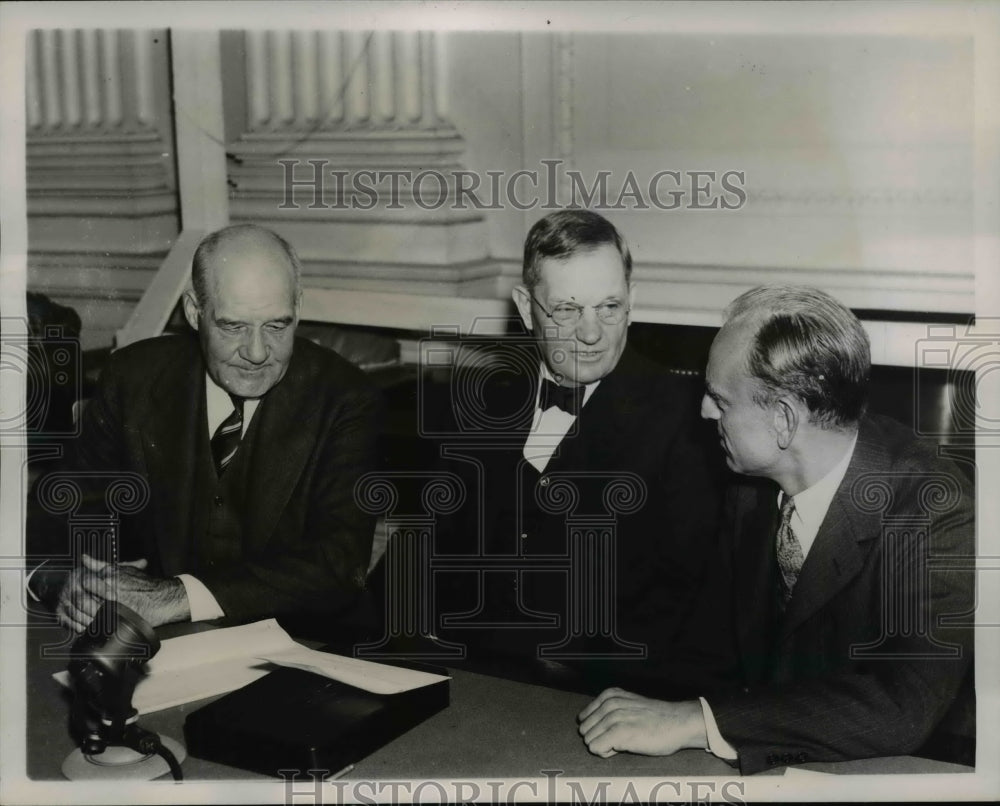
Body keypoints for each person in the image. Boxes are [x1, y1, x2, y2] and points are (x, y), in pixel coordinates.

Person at [578, 285, 975, 772]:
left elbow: (902, 707)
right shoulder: (751, 484)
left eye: (720, 400)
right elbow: (709, 647)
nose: (703, 411)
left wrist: (699, 722)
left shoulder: (936, 508)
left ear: (784, 420)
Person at [433, 210, 731, 696]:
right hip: (469, 676)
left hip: (606, 693)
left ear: (632, 301)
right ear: (527, 309)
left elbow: (689, 608)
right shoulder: (480, 404)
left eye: (609, 307)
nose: (592, 334)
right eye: (568, 310)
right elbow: (434, 555)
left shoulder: (691, 423)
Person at [28, 224, 382, 633]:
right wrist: (72, 582)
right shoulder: (134, 378)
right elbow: (59, 509)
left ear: (298, 308)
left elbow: (338, 564)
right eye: (233, 326)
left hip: (310, 647)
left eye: (277, 326)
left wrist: (176, 596)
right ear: (194, 312)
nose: (256, 352)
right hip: (164, 646)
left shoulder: (347, 399)